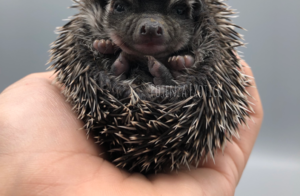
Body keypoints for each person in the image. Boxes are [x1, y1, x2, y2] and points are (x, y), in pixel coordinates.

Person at [0, 59, 263, 196]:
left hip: (177, 112)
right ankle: (165, 83)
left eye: (178, 10)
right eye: (123, 7)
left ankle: (164, 84)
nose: (150, 26)